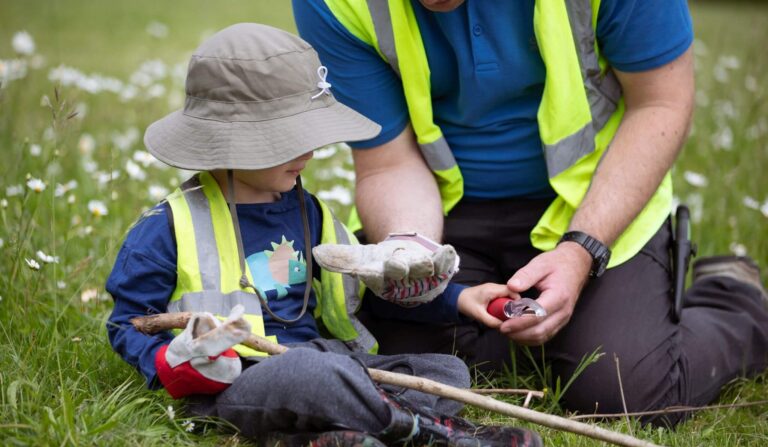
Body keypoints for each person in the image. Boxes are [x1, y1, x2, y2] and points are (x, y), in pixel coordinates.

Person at [293, 0, 768, 425]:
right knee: (390, 353)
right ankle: (555, 335)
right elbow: (387, 162)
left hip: (597, 202)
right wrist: (412, 249)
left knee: (619, 389)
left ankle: (735, 296)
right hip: (448, 212)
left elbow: (662, 103)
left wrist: (582, 250)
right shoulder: (334, 4)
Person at [105, 23, 543, 447]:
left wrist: (458, 298)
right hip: (234, 383)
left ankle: (307, 441)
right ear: (235, 137)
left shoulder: (308, 211)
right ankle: (445, 437)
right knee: (312, 375)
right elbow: (129, 323)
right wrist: (172, 362)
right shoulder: (169, 226)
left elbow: (367, 290)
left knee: (445, 373)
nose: (310, 152)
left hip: (325, 364)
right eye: (291, 138)